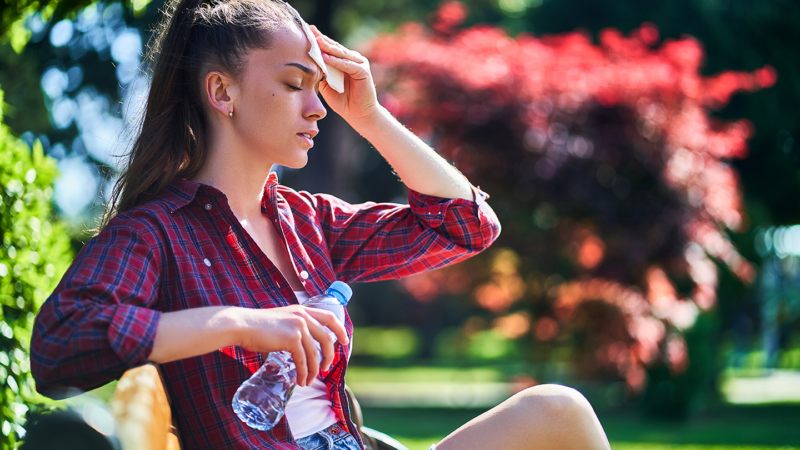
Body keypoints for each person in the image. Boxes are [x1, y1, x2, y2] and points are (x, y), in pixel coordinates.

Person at [30, 0, 611, 449]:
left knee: (560, 411)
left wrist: (371, 116)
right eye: (292, 85)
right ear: (222, 92)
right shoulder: (155, 233)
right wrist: (238, 324)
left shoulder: (309, 222)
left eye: (318, 88)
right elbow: (60, 346)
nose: (316, 107)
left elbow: (467, 227)